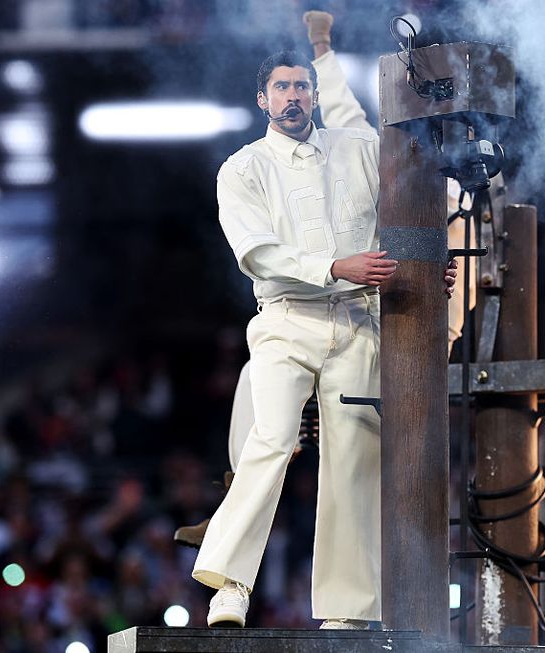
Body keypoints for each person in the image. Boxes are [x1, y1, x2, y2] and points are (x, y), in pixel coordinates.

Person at [191, 16, 457, 629]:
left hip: (358, 321)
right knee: (271, 438)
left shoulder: (358, 148)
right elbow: (257, 254)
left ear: (313, 94)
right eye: (281, 88)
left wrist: (427, 268)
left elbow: (408, 214)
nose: (293, 96)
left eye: (302, 87)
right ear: (263, 99)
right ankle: (230, 586)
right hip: (286, 321)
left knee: (356, 456)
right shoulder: (243, 168)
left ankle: (348, 612)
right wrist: (336, 266)